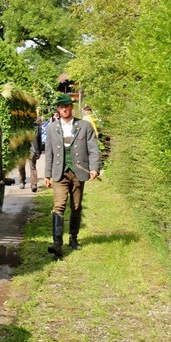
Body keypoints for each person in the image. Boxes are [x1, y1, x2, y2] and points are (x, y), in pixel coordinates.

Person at [43, 93, 101, 256]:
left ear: (71, 107)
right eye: (61, 107)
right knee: (59, 206)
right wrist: (47, 174)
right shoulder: (51, 128)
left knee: (76, 206)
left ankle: (73, 238)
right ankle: (57, 243)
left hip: (79, 172)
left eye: (67, 106)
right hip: (59, 173)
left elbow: (93, 149)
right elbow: (49, 153)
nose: (64, 109)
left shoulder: (84, 126)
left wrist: (94, 168)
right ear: (58, 109)